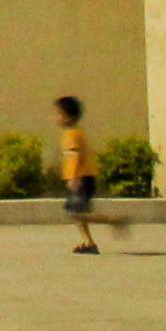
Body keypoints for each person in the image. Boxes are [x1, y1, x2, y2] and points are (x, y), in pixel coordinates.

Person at [55, 93, 108, 255]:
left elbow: (74, 156)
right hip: (86, 176)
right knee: (76, 213)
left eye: (57, 114)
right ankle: (88, 243)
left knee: (77, 213)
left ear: (67, 117)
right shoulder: (77, 132)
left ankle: (113, 221)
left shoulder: (71, 134)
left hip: (81, 178)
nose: (55, 118)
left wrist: (73, 178)